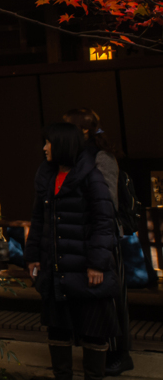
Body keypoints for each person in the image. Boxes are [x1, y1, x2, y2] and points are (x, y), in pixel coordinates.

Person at [24, 122, 119, 380]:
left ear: (63, 145)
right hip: (55, 269)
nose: (44, 148)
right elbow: (38, 219)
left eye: (48, 143)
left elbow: (104, 221)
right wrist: (32, 257)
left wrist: (97, 263)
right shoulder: (46, 175)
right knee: (57, 330)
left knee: (93, 331)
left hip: (86, 270)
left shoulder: (91, 175)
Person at [63, 108, 134, 377]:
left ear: (83, 130)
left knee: (111, 299)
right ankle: (99, 354)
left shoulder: (100, 156)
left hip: (103, 238)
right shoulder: (76, 156)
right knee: (92, 301)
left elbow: (107, 204)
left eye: (67, 126)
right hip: (82, 238)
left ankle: (120, 354)